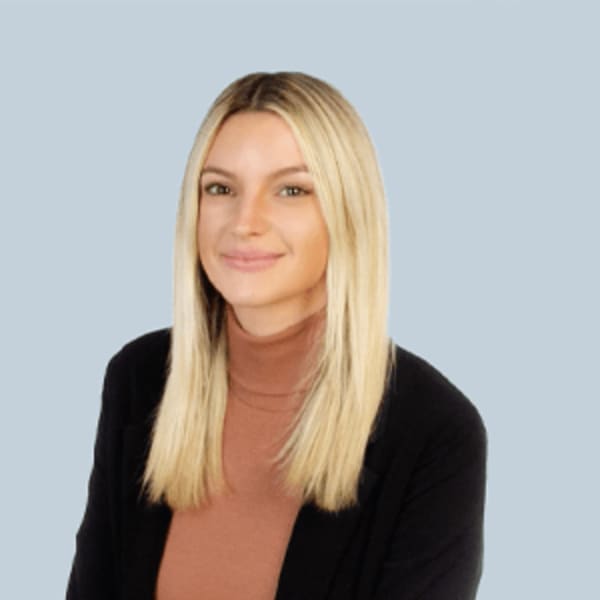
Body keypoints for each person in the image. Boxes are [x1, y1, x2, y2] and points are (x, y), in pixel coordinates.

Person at [66, 71, 487, 600]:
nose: (245, 221)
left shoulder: (433, 431)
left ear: (347, 213)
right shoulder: (141, 378)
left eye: (291, 190)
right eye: (220, 188)